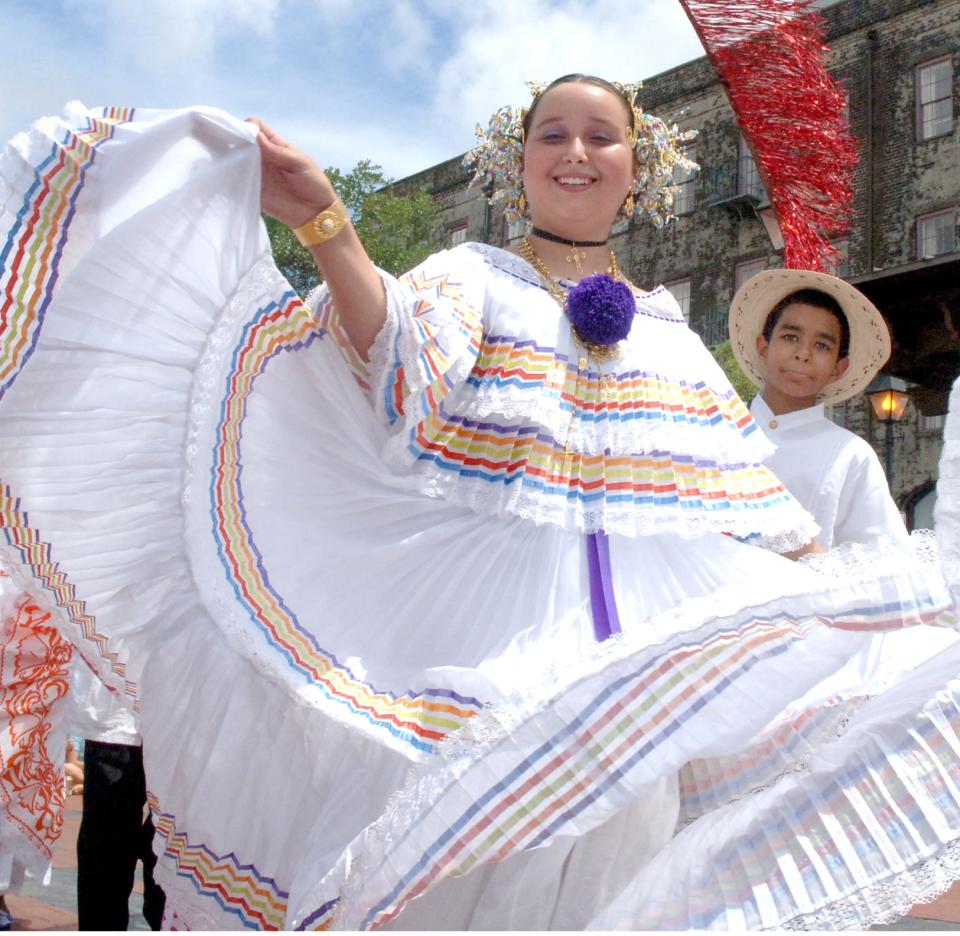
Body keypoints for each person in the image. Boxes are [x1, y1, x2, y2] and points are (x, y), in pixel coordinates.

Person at [0, 76, 957, 930]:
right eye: (552, 134)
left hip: (633, 686)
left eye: (600, 136)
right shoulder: (474, 277)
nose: (576, 152)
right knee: (444, 867)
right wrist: (325, 218)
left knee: (603, 876)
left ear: (639, 170)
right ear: (519, 161)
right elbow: (392, 354)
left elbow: (748, 510)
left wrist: (855, 625)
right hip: (475, 642)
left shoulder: (668, 333)